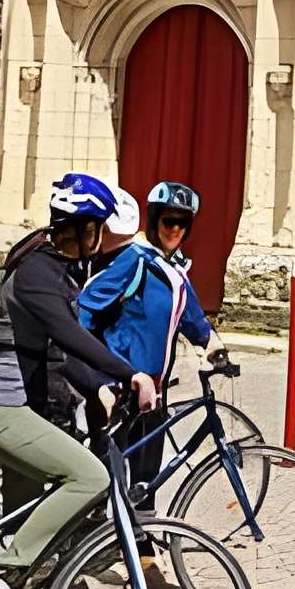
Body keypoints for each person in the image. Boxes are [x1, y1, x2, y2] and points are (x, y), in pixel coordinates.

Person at [0, 173, 157, 589]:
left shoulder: (55, 268)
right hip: (10, 413)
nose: (100, 240)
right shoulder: (37, 271)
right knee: (91, 479)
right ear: (82, 228)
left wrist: (99, 386)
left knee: (23, 539)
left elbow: (56, 352)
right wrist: (130, 373)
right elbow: (68, 334)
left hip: (32, 414)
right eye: (97, 229)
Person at [78, 177, 222, 502]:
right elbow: (84, 309)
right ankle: (100, 542)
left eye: (183, 223)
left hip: (154, 392)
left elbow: (193, 318)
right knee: (110, 477)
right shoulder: (136, 260)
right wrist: (95, 375)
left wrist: (215, 350)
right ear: (155, 219)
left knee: (147, 478)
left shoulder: (175, 271)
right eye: (168, 220)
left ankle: (140, 546)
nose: (175, 229)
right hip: (122, 388)